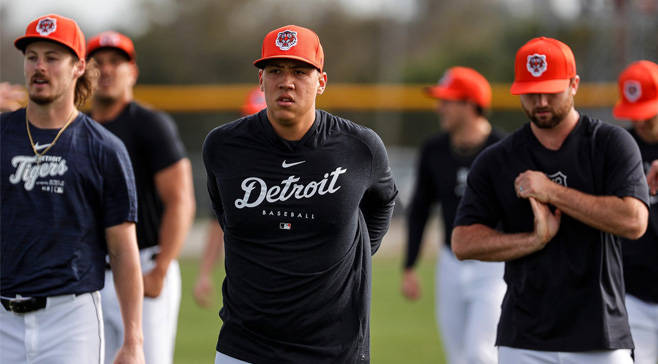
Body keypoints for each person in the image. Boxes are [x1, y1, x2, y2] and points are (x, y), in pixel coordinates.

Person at [203, 25, 398, 363]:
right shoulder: (223, 146)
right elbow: (224, 213)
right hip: (244, 346)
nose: (287, 82)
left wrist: (357, 253)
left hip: (333, 347)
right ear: (260, 81)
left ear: (321, 81)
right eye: (275, 71)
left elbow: (383, 202)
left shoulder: (359, 148)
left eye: (300, 71)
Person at [451, 36, 650, 364]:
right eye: (530, 93)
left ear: (574, 85)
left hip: (600, 338)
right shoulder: (497, 159)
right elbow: (463, 242)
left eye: (551, 90)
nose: (541, 101)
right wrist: (534, 239)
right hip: (523, 339)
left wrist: (552, 191)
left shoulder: (612, 144)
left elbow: (633, 220)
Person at [1, 14, 145, 364]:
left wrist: (133, 341)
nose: (39, 67)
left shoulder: (104, 148)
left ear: (79, 66)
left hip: (70, 319)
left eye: (52, 58)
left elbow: (124, 250)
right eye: (32, 56)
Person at [86, 30, 196, 364]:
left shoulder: (150, 124)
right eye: (97, 62)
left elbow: (181, 199)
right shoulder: (77, 128)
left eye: (116, 62)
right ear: (83, 71)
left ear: (132, 72)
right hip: (89, 274)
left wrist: (160, 269)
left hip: (144, 264)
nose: (106, 70)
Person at [401, 67, 506, 364]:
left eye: (447, 100)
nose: (439, 107)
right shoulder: (434, 150)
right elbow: (420, 209)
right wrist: (410, 265)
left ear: (470, 104)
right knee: (458, 357)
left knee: (480, 353)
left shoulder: (503, 149)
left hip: (494, 266)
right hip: (450, 262)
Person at [193, 86, 265, 309]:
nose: (252, 121)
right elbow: (218, 222)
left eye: (258, 115)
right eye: (248, 115)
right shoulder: (235, 166)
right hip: (249, 285)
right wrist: (204, 273)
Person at [612, 60, 658, 364]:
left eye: (648, 114)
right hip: (634, 292)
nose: (640, 122)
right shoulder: (618, 147)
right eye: (634, 113)